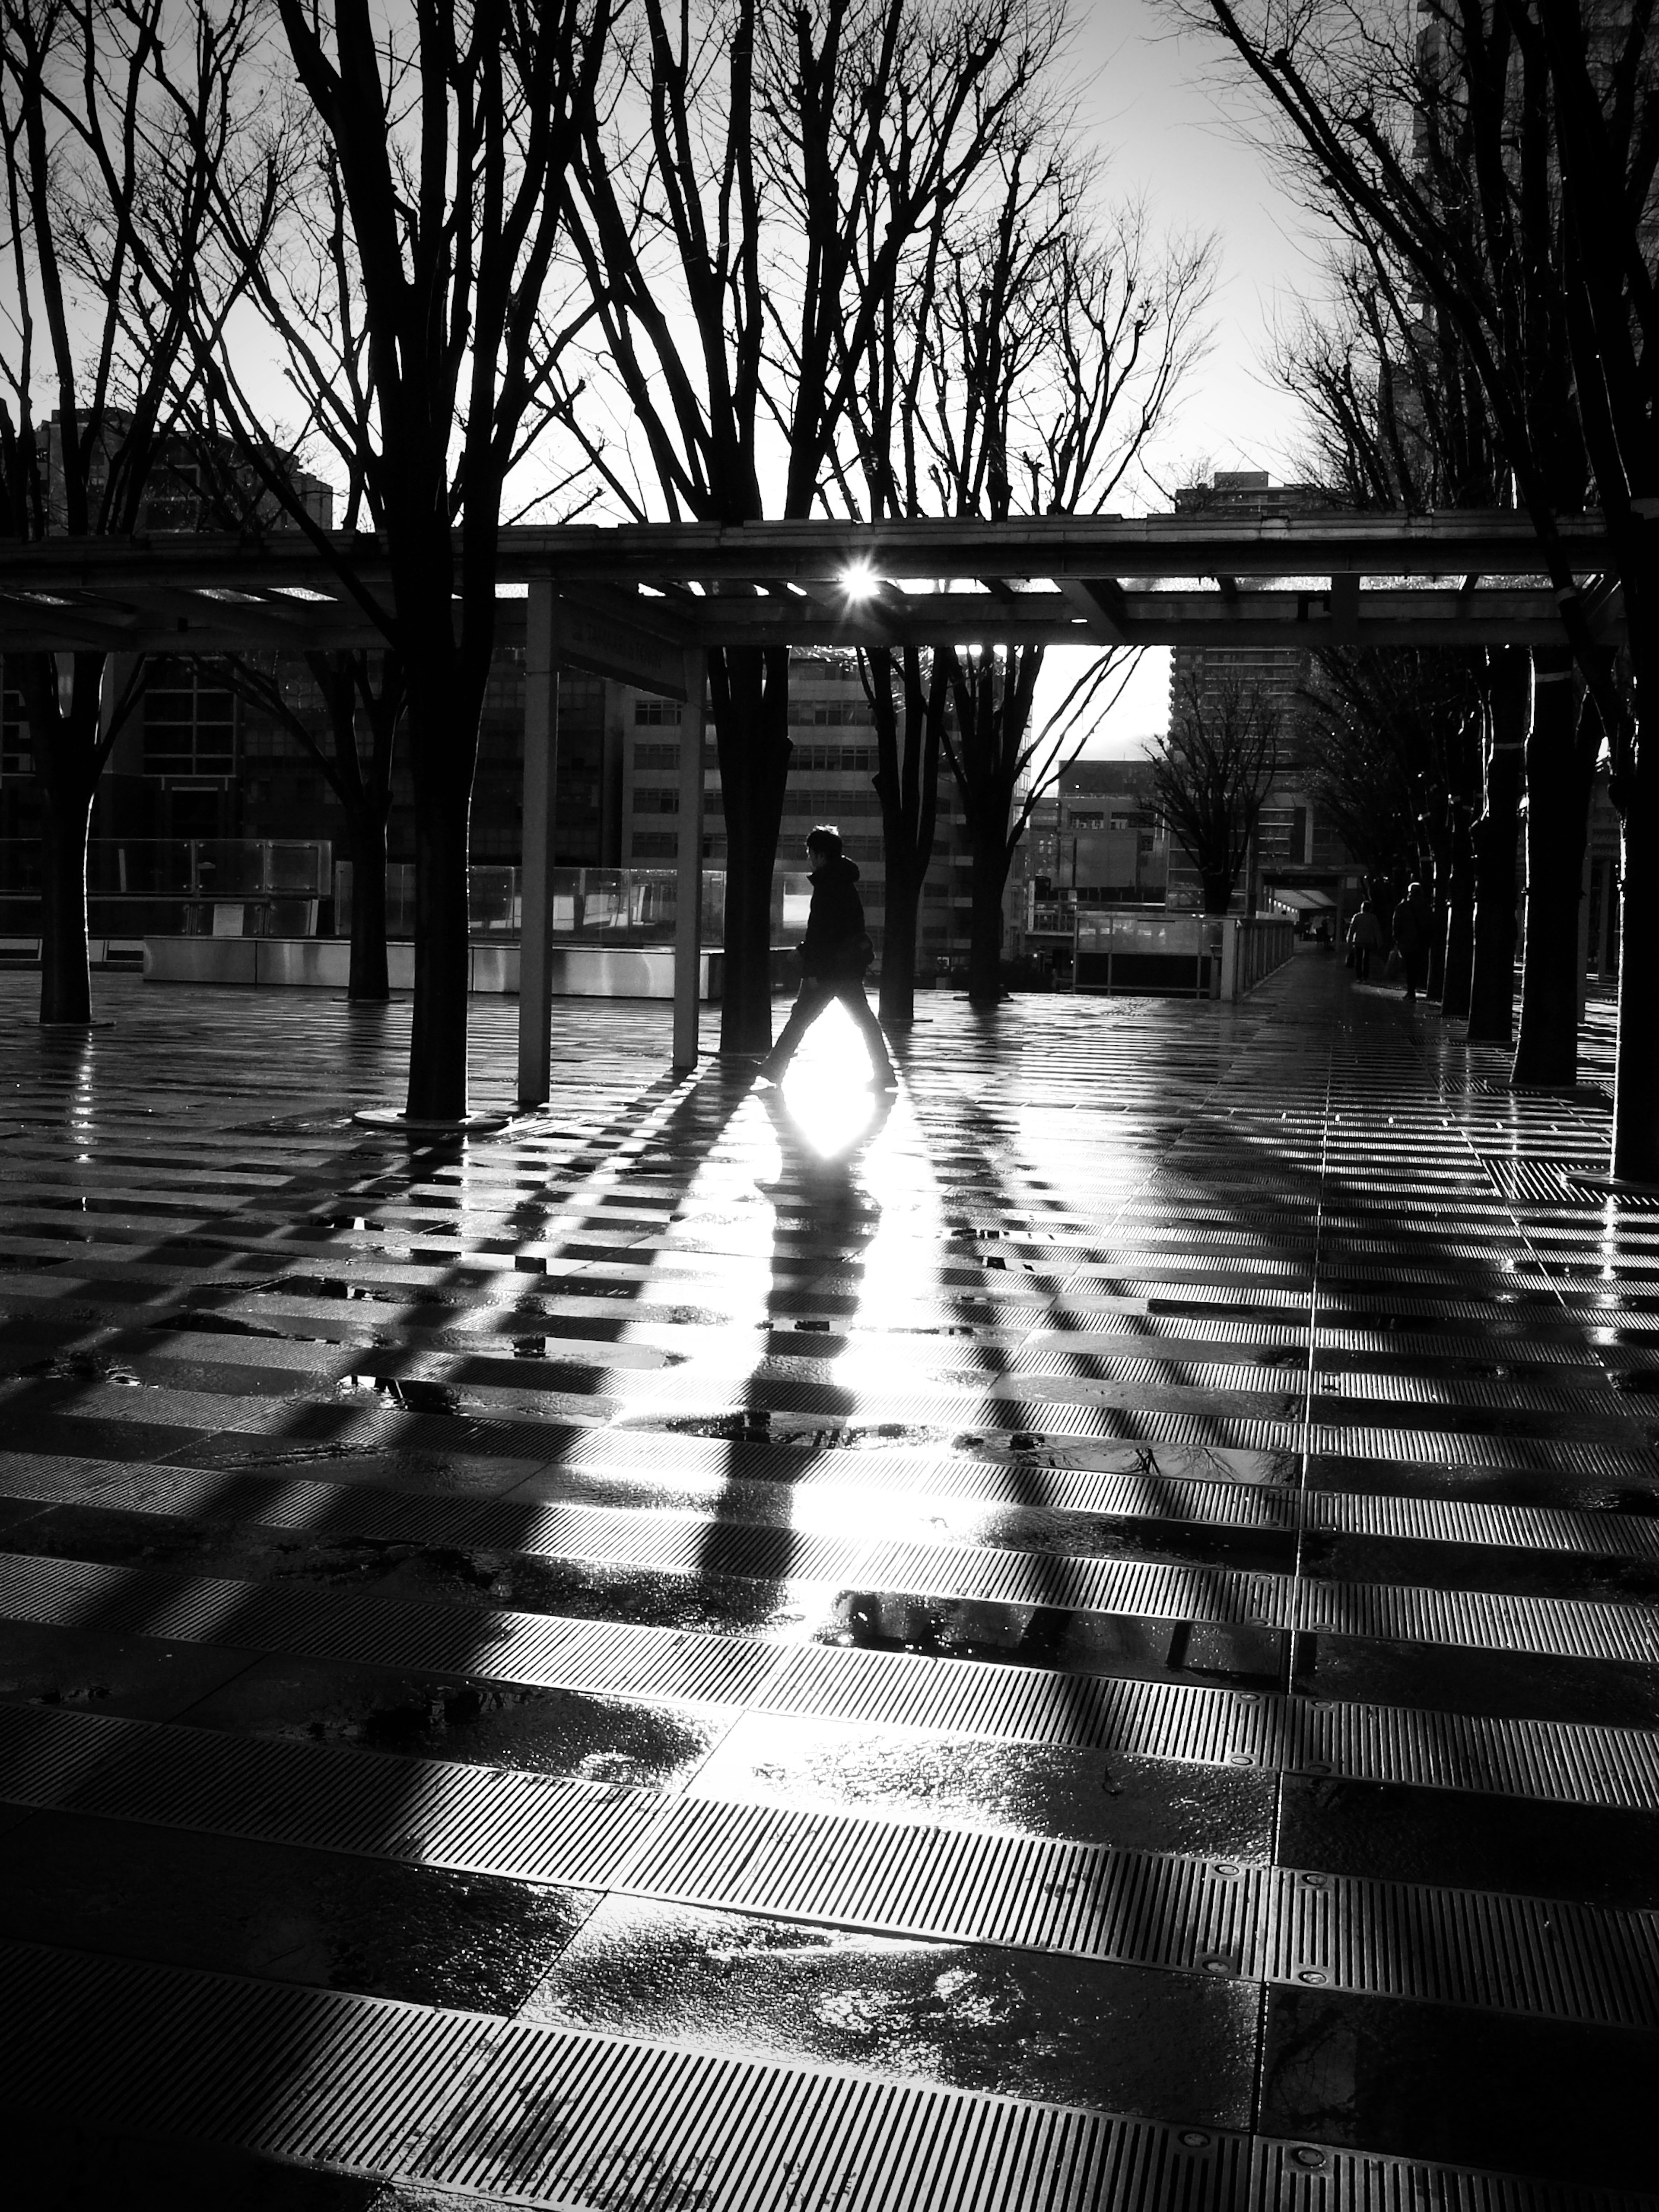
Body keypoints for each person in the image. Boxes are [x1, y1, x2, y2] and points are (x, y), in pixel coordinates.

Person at [757, 825, 897, 1087]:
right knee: (865, 1022)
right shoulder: (846, 884)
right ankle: (884, 1072)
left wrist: (810, 969)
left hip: (827, 970)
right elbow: (845, 930)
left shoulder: (827, 887)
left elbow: (821, 933)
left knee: (800, 1020)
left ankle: (774, 1069)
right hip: (848, 969)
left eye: (810, 853)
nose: (809, 858)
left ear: (821, 855)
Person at [1392, 880, 1433, 1003]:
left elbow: (1396, 925)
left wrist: (1397, 939)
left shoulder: (1403, 907)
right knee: (1416, 967)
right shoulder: (1426, 907)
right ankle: (1413, 990)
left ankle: (1411, 992)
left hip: (1407, 941)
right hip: (1421, 942)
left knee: (1409, 966)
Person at [1347, 898, 1386, 981]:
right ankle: (1365, 977)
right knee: (1367, 959)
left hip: (1358, 940)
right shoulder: (1373, 918)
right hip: (1369, 941)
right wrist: (1379, 941)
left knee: (1358, 959)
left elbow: (1352, 929)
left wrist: (1349, 939)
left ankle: (1359, 977)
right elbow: (1377, 930)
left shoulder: (1357, 917)